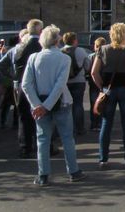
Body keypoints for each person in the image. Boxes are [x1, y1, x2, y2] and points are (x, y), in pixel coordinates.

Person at [21, 25, 85, 186]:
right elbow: (60, 85)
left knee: (42, 139)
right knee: (67, 138)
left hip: (39, 102)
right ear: (57, 40)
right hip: (61, 102)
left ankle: (43, 174)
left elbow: (26, 84)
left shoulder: (34, 58)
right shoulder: (64, 58)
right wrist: (47, 105)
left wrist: (37, 104)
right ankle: (73, 171)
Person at [91, 22, 125, 169]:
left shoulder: (103, 49)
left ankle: (103, 159)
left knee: (106, 124)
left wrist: (102, 87)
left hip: (108, 89)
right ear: (124, 34)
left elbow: (94, 72)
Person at [14, 19, 43, 158]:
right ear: (39, 30)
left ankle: (25, 148)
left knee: (24, 118)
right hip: (37, 85)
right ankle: (44, 147)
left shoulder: (19, 46)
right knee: (42, 117)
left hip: (21, 85)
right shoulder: (41, 46)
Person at [61, 32, 91, 136]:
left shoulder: (61, 52)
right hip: (79, 81)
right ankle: (79, 128)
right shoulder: (81, 51)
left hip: (65, 82)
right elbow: (88, 66)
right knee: (78, 105)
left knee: (65, 105)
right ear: (74, 40)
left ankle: (67, 127)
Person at [88, 36, 107, 132]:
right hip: (105, 82)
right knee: (103, 103)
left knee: (94, 104)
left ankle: (94, 123)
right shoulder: (107, 55)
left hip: (93, 83)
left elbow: (89, 70)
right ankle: (101, 123)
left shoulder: (91, 56)